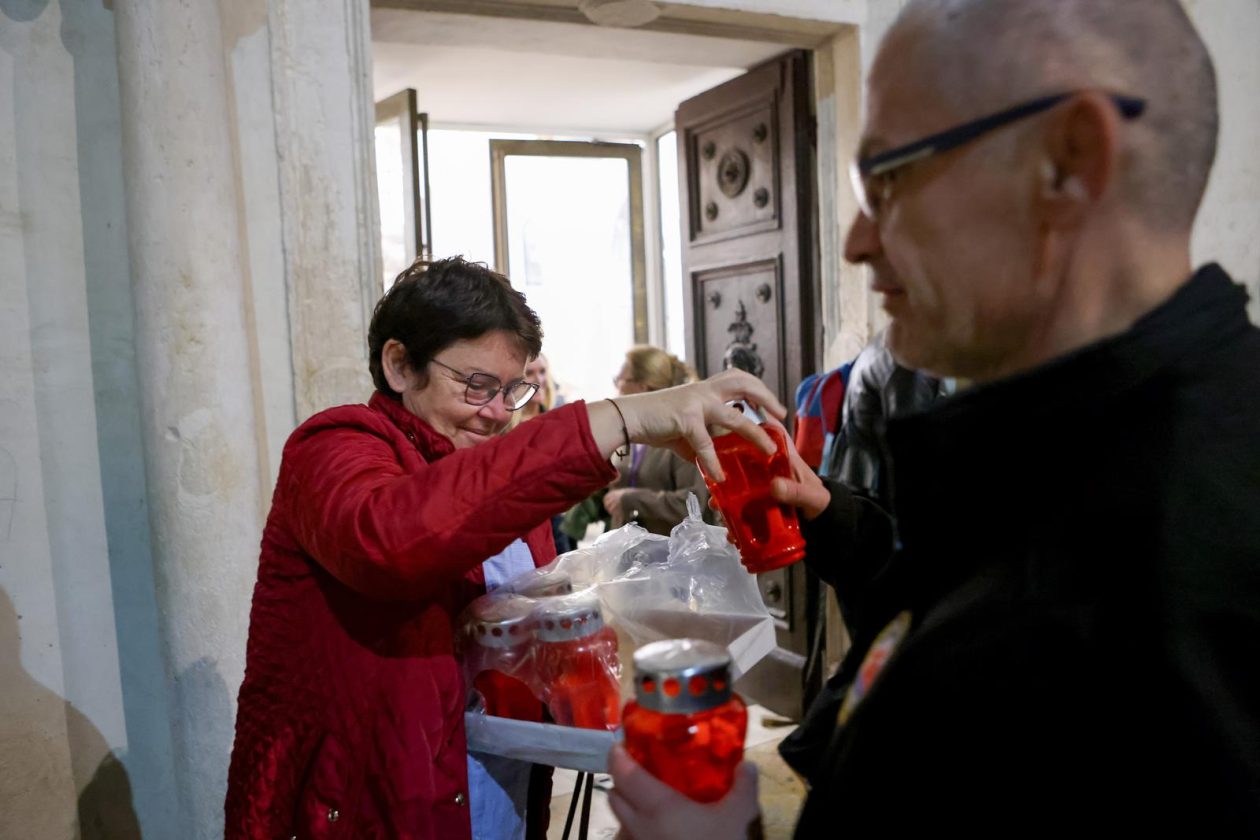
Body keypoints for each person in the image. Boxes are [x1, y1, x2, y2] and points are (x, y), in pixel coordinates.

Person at [607, 0, 1260, 836]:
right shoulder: (1082, 442)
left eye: (887, 179)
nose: (855, 241)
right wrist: (838, 520)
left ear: (1066, 163)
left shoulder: (1181, 562)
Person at [223, 256, 784, 840]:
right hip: (379, 807)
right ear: (399, 365)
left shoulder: (506, 493)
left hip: (497, 794)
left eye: (513, 390)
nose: (496, 413)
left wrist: (618, 650)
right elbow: (391, 539)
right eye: (476, 385)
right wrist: (622, 416)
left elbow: (521, 643)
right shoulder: (332, 448)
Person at [602, 346, 712, 536]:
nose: (616, 387)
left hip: (672, 556)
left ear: (641, 387)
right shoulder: (626, 433)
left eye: (619, 380)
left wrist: (631, 499)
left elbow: (692, 503)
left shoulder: (681, 434)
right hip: (627, 555)